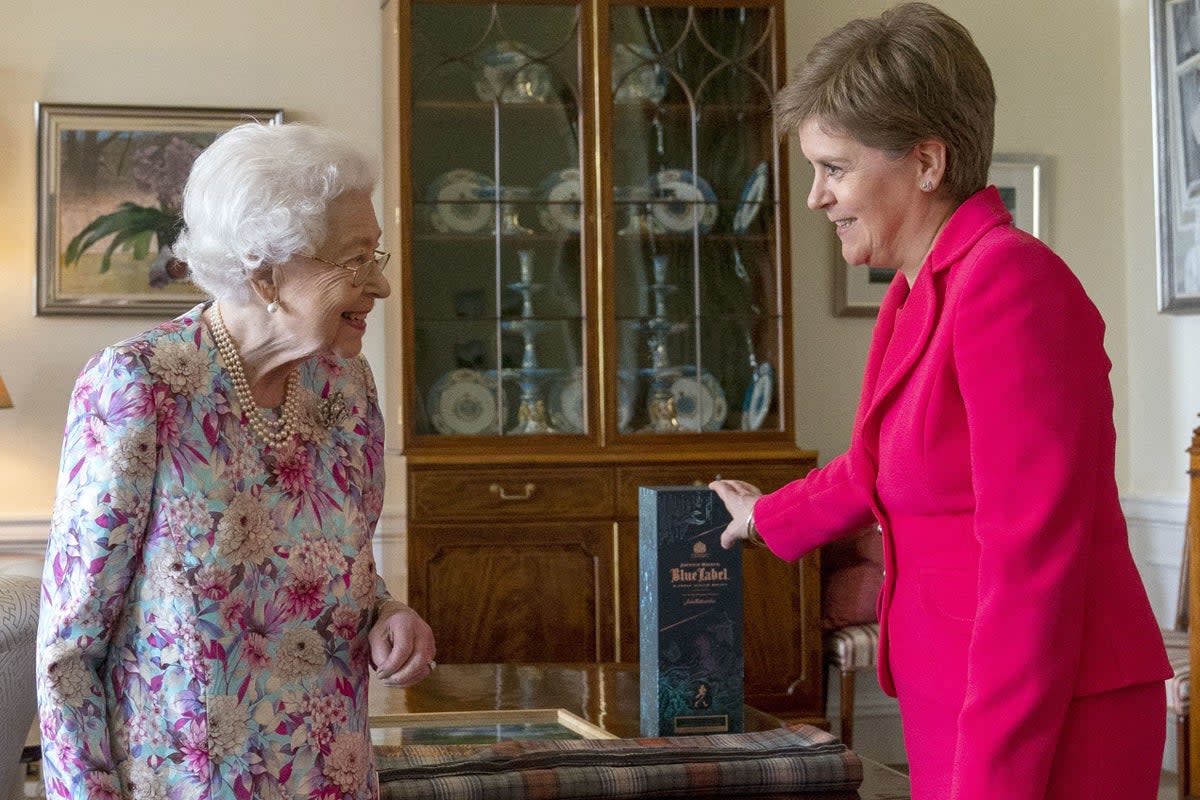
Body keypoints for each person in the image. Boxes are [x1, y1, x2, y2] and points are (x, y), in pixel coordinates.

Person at [710, 5, 1171, 799]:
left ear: (926, 161)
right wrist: (766, 516)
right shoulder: (916, 292)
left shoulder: (1012, 284)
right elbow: (874, 467)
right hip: (951, 690)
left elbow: (1033, 565)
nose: (817, 197)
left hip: (1045, 710)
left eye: (835, 168)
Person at [36, 122, 436, 800]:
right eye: (356, 258)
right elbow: (70, 652)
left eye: (378, 256)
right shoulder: (139, 386)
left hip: (330, 777)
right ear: (266, 269)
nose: (381, 286)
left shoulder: (345, 385)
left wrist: (388, 610)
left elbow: (345, 567)